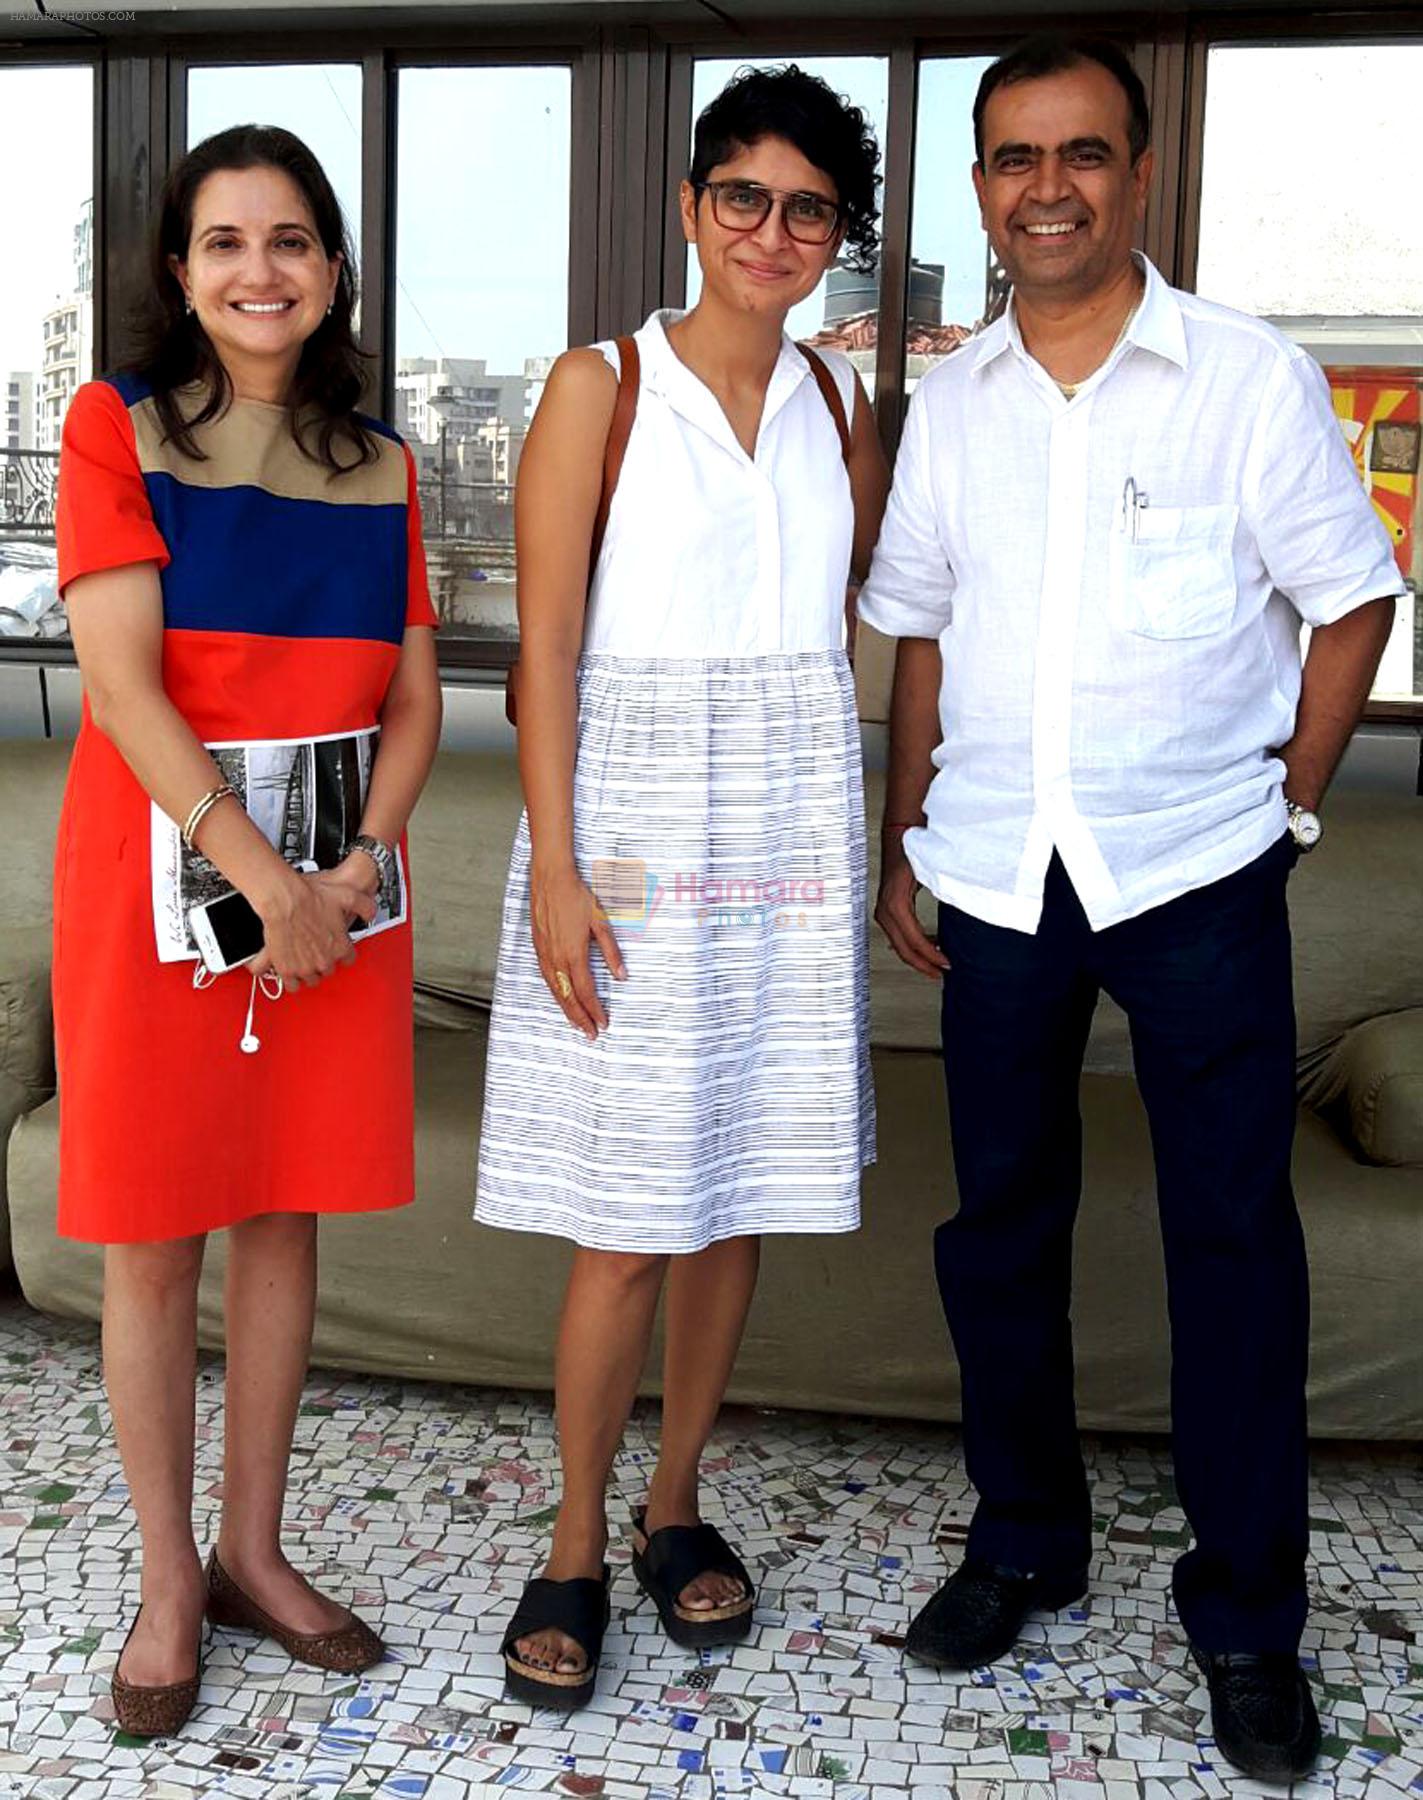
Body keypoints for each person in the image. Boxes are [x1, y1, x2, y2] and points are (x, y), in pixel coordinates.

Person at [857, 33, 1402, 1785]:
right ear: (981, 190)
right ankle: (1025, 1541)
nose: (1049, 188)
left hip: (1198, 880)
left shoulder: (1245, 379)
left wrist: (1291, 806)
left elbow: (1351, 602)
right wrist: (903, 836)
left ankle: (1247, 1616)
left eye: (1082, 154)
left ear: (1139, 177)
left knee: (1232, 1246)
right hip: (1002, 876)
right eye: (1015, 159)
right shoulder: (953, 399)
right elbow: (921, 636)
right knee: (998, 1228)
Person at [476, 65, 888, 1710]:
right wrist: (561, 871)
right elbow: (549, 651)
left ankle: (672, 1506)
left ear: (837, 237)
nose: (773, 233)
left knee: (734, 1193)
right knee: (631, 1220)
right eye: (746, 198)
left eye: (808, 211)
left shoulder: (840, 404)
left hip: (784, 819)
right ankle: (572, 1538)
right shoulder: (601, 386)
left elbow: (838, 635)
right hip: (633, 834)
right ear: (692, 205)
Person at [55, 125, 442, 1737]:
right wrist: (261, 879)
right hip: (161, 879)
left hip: (335, 902)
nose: (260, 271)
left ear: (334, 271)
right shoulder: (113, 429)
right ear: (178, 271)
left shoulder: (387, 464)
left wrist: (341, 874)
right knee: (156, 1236)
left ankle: (255, 1555)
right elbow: (126, 685)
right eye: (226, 242)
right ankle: (165, 1585)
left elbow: (414, 701)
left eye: (292, 241)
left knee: (285, 1220)